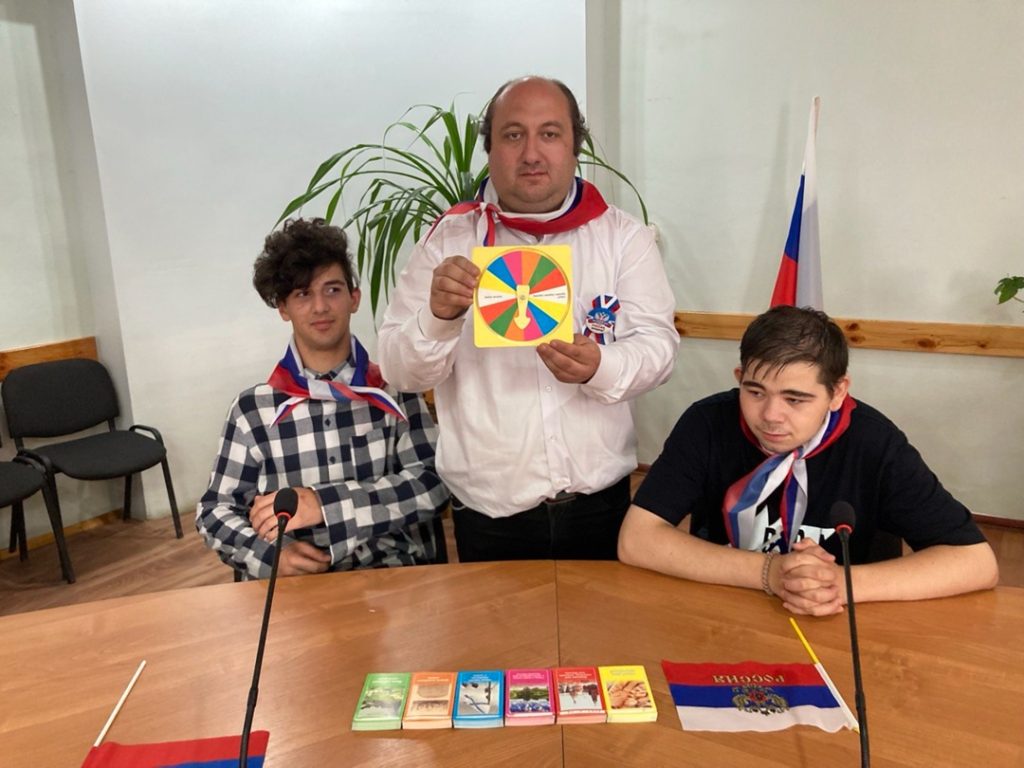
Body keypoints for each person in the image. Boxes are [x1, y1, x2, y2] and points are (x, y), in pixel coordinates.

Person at [377, 75, 679, 562]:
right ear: (490, 149)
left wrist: (600, 366)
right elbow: (398, 371)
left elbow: (659, 349)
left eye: (550, 133)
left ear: (575, 146)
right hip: (489, 516)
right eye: (513, 135)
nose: (532, 153)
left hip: (600, 508)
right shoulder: (447, 242)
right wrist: (436, 318)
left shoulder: (623, 238)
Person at [618, 305, 999, 615]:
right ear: (739, 377)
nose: (771, 415)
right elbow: (636, 540)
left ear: (838, 392)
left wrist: (838, 585)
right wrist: (771, 573)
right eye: (755, 392)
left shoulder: (873, 442)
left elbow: (976, 562)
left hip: (842, 618)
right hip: (727, 606)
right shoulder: (707, 423)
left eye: (795, 399)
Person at [196, 218, 448, 579]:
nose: (320, 307)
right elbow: (215, 511)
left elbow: (433, 485)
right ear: (283, 308)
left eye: (332, 290)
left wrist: (325, 506)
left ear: (354, 298)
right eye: (302, 294)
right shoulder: (253, 412)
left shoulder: (395, 389)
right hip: (297, 589)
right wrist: (269, 556)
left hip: (391, 578)